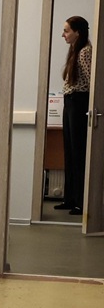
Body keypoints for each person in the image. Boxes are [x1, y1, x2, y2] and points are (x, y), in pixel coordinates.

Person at [57, 16, 93, 216]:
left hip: (79, 102)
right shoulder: (74, 50)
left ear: (77, 32)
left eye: (67, 31)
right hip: (70, 101)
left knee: (78, 152)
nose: (63, 35)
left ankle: (80, 201)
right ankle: (70, 198)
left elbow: (92, 80)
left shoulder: (85, 51)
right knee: (69, 151)